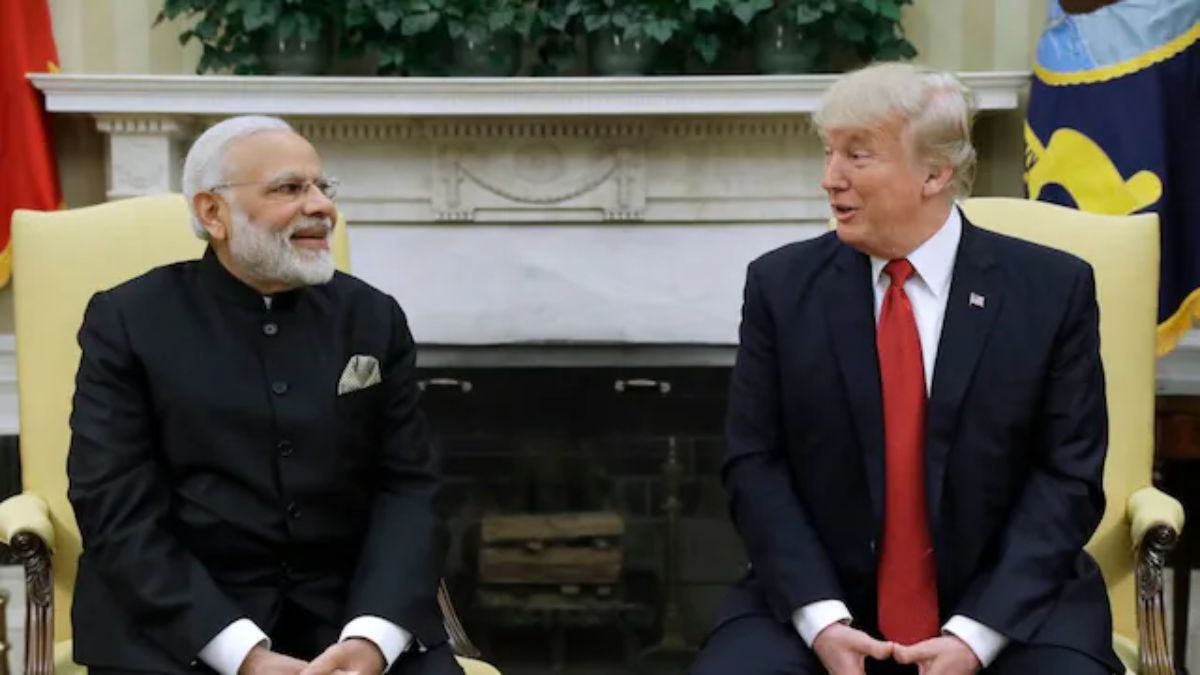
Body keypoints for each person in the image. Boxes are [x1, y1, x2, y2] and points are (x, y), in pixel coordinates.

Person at [691, 63, 1122, 675]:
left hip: (1011, 602)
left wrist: (975, 636)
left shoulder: (1052, 291)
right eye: (829, 152)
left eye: (857, 156)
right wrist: (822, 620)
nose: (829, 179)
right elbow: (753, 463)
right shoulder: (781, 288)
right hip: (821, 597)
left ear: (935, 172)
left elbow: (1068, 479)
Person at [67, 115, 461, 675]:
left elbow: (410, 486)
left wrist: (373, 638)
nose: (321, 206)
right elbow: (114, 505)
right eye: (289, 188)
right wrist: (240, 653)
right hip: (180, 626)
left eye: (324, 188)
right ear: (213, 213)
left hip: (348, 617)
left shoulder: (373, 316)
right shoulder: (128, 321)